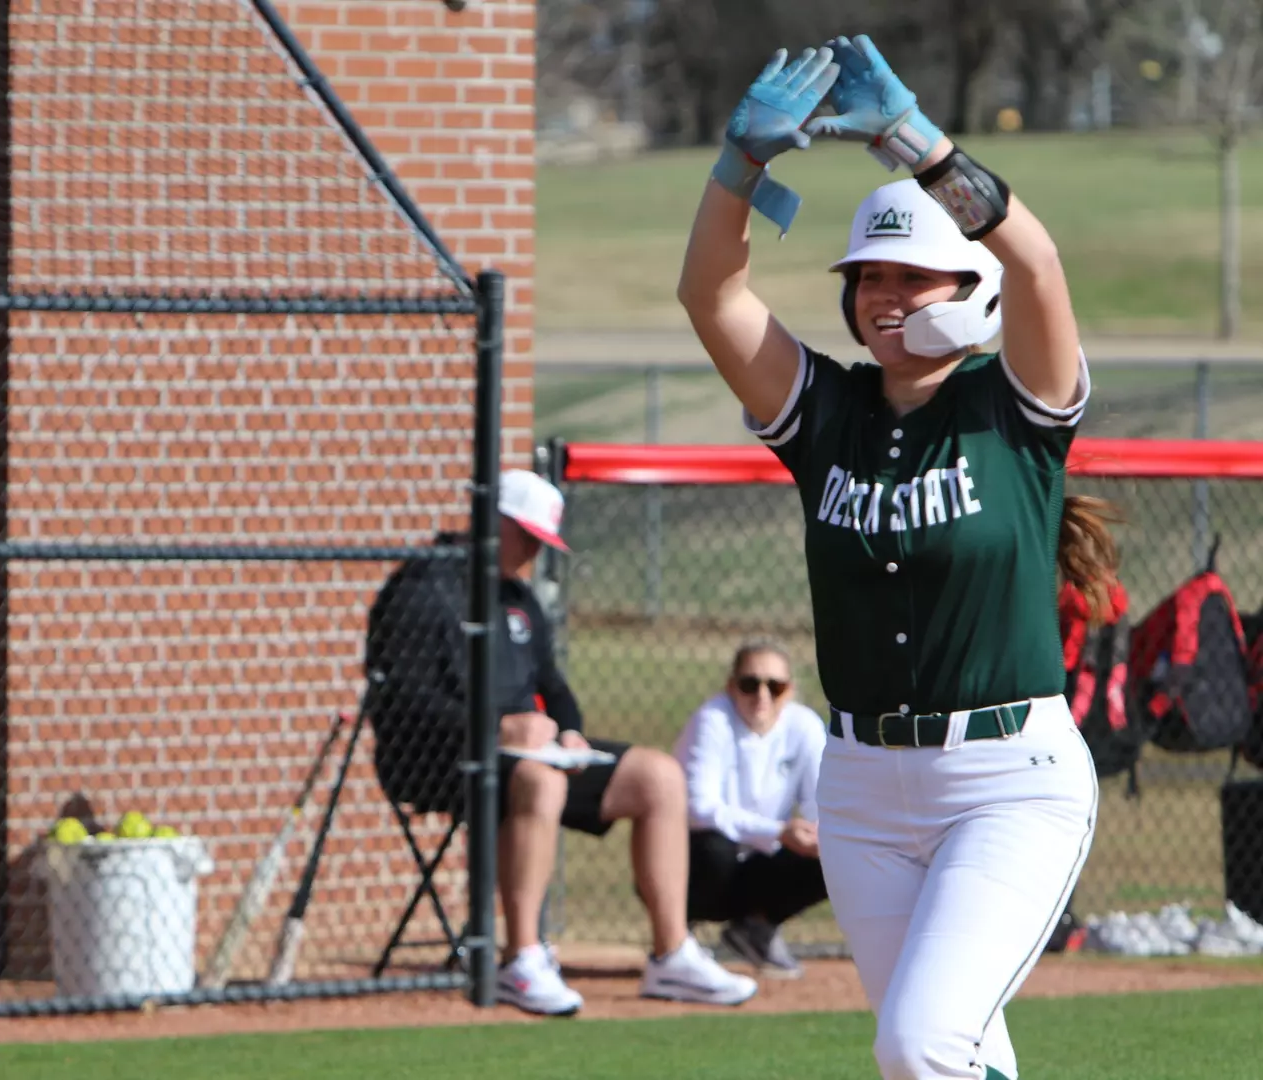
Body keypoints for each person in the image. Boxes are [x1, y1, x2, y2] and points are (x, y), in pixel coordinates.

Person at [676, 35, 1122, 1080]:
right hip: (865, 789)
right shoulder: (825, 412)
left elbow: (1040, 263)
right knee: (959, 1052)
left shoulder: (1014, 407)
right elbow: (711, 297)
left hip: (1008, 780)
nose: (885, 294)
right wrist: (738, 169)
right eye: (869, 274)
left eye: (914, 276)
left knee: (920, 1044)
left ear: (970, 282)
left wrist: (921, 147)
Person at [366, 468, 759, 1016]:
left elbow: (553, 686)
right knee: (538, 780)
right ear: (491, 521)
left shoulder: (519, 595)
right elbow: (401, 702)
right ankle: (520, 958)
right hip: (438, 759)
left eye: (539, 541)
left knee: (657, 777)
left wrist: (569, 729)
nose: (532, 551)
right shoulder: (422, 589)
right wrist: (495, 729)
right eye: (525, 536)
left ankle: (672, 955)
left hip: (529, 756)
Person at [673, 639, 828, 980]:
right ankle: (677, 934)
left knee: (836, 849)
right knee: (716, 848)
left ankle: (756, 928)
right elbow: (698, 809)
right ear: (731, 686)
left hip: (760, 860)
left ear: (789, 691)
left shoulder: (804, 726)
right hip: (696, 860)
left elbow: (823, 804)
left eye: (775, 686)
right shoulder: (712, 720)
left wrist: (816, 837)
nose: (762, 696)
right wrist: (778, 831)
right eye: (749, 684)